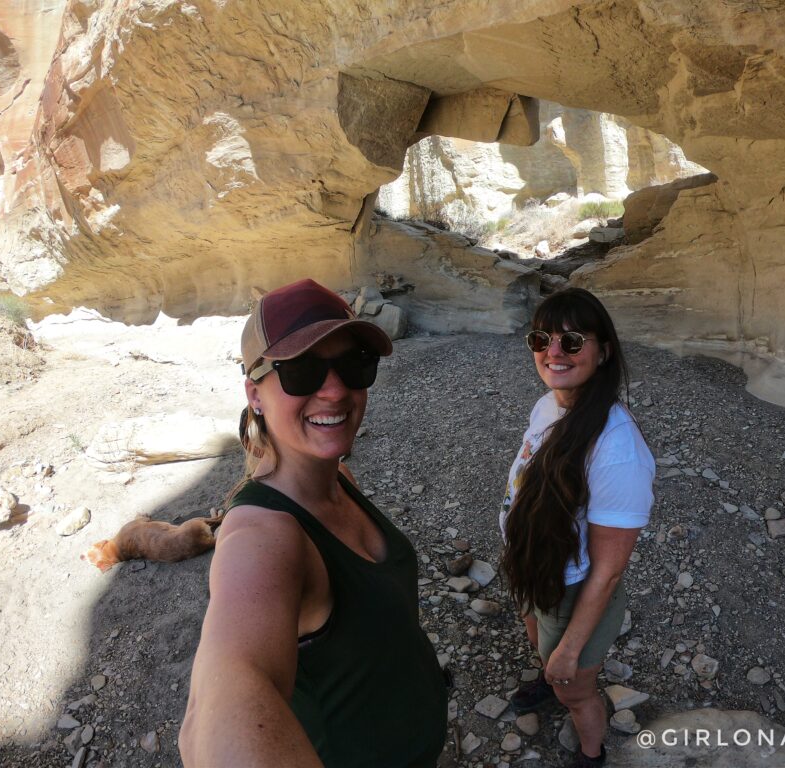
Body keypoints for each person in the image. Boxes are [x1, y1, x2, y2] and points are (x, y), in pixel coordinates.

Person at [180, 278, 447, 767]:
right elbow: (225, 695)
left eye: (353, 365)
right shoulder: (263, 537)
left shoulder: (339, 476)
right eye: (301, 370)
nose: (335, 390)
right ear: (254, 393)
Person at [500, 287, 655, 768]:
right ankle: (548, 677)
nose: (552, 352)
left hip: (572, 591)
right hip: (532, 568)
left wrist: (569, 649)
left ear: (602, 351)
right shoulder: (551, 404)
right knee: (539, 646)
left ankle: (591, 753)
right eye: (541, 338)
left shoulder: (615, 446)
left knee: (576, 690)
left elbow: (607, 572)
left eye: (572, 341)